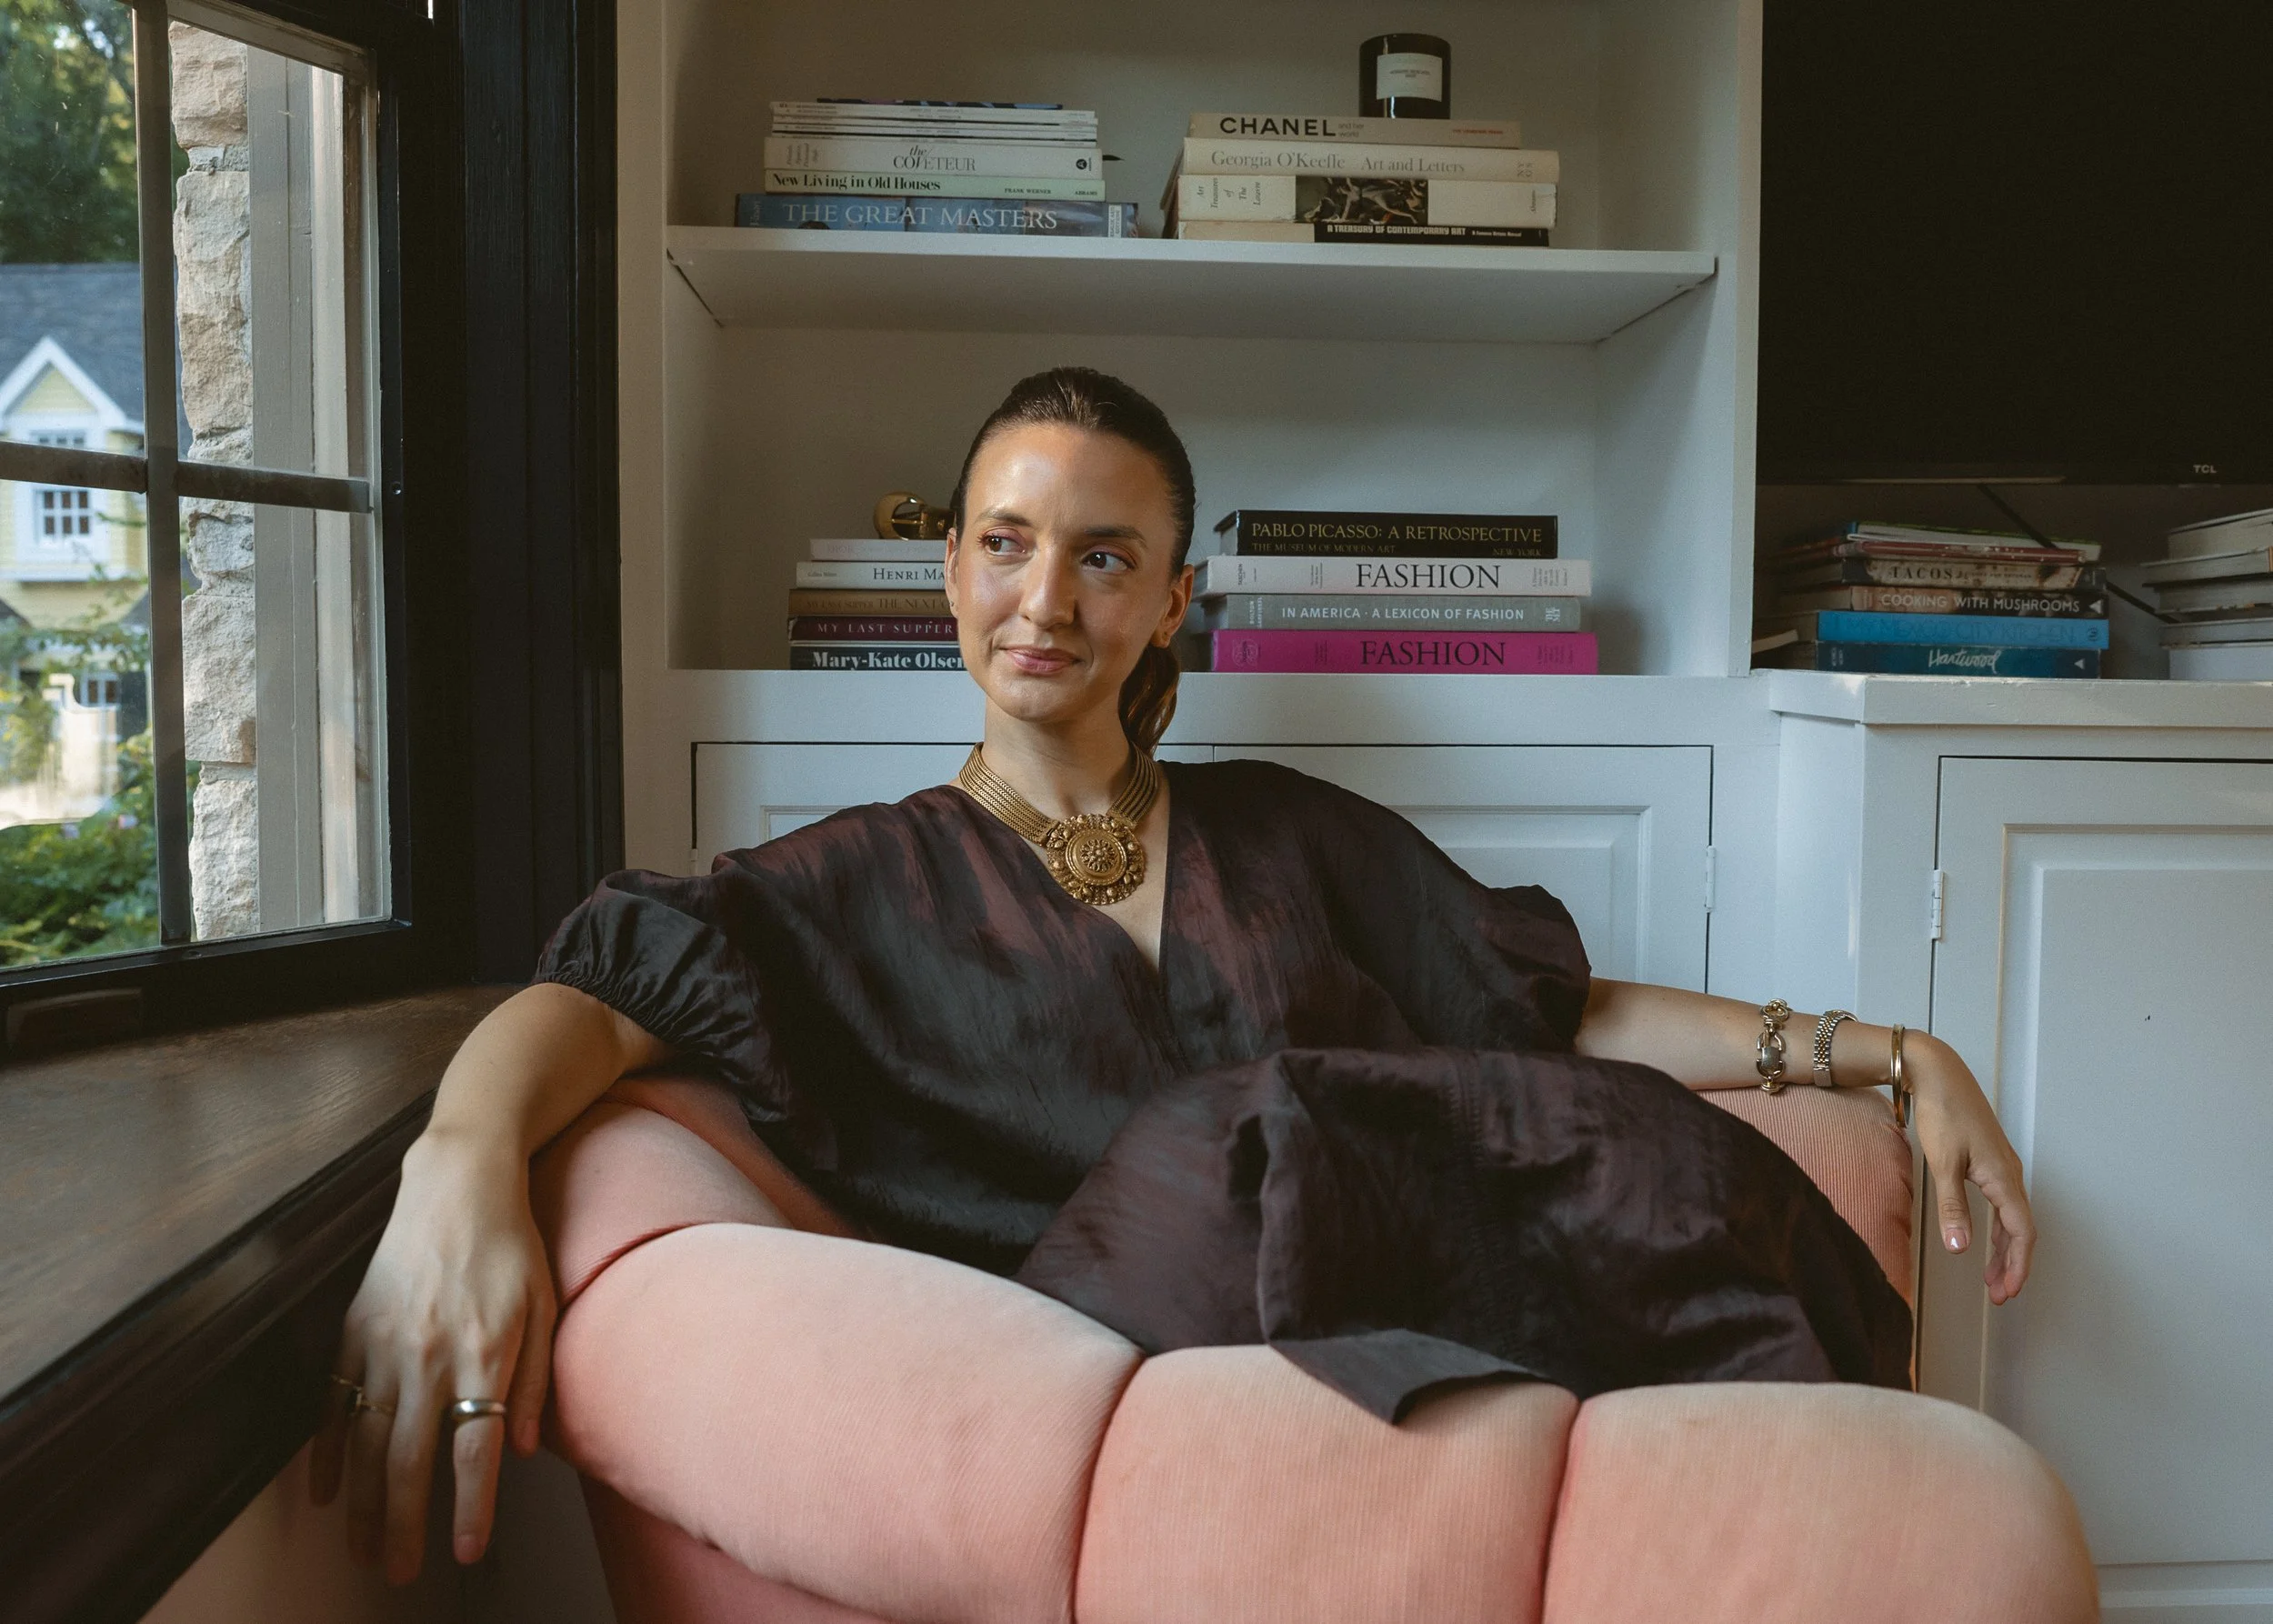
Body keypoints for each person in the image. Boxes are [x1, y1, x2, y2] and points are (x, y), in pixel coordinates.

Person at [315, 367, 2036, 1583]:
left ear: (1171, 603)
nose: (1041, 596)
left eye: (1102, 556)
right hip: (1132, 1409)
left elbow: (1553, 1019)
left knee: (1610, 1138)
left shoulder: (1290, 832)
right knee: (1253, 1121)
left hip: (1406, 1369)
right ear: (949, 574)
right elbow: (596, 988)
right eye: (1002, 542)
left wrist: (1872, 1050)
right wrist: (456, 1163)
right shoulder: (858, 879)